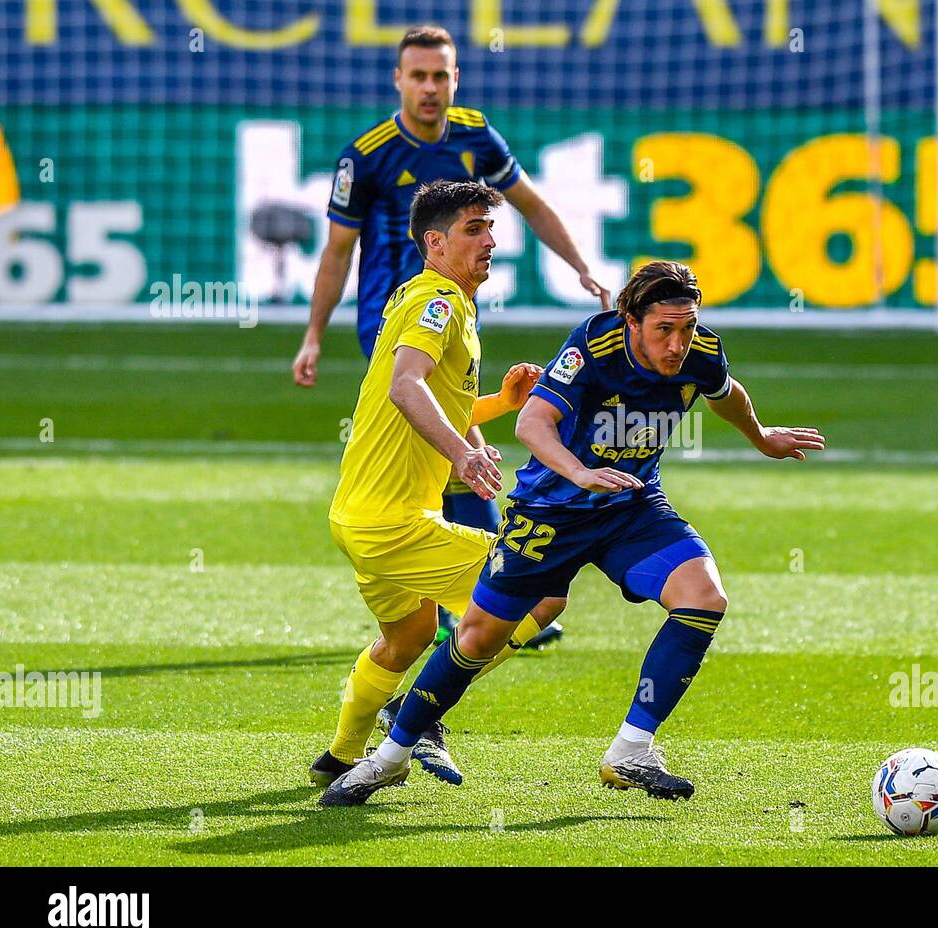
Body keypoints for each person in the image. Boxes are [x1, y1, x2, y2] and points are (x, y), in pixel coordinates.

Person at [321, 260, 826, 806]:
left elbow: (725, 391)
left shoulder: (699, 350)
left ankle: (630, 750)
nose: (678, 343)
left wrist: (760, 436)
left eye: (686, 327)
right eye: (665, 330)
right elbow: (530, 423)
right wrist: (580, 472)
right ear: (630, 320)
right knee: (477, 637)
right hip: (550, 514)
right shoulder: (592, 347)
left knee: (704, 598)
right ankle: (388, 758)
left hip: (630, 506)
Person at [294, 23, 604, 645]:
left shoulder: (474, 135)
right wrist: (313, 334)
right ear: (399, 81)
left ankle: (463, 597)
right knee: (453, 439)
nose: (430, 88)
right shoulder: (368, 153)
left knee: (457, 439)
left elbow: (533, 206)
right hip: (394, 317)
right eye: (419, 76)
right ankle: (485, 596)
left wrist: (581, 266)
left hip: (456, 310)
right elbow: (336, 252)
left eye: (441, 75)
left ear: (455, 79)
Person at [310, 179, 567, 788]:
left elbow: (430, 398)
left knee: (409, 637)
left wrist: (499, 405)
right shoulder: (440, 304)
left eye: (490, 228)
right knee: (542, 589)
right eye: (473, 230)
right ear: (435, 242)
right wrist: (462, 455)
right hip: (394, 523)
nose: (490, 241)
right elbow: (406, 387)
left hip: (358, 516)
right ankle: (419, 715)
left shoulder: (430, 296)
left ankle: (341, 756)